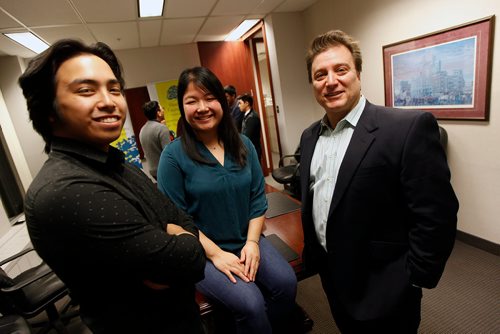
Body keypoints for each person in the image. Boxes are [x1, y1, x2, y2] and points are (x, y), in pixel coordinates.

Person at [18, 39, 206, 333]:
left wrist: (177, 233)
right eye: (86, 90)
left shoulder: (117, 165)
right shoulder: (67, 190)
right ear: (48, 110)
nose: (109, 101)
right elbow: (189, 261)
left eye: (114, 88)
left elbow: (182, 220)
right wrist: (173, 234)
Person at [299, 30, 459, 333]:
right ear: (312, 84)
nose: (330, 81)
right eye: (320, 74)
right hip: (334, 280)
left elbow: (436, 214)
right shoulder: (309, 137)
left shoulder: (406, 128)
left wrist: (415, 278)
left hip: (387, 289)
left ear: (358, 73)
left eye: (341, 69)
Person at [157, 67, 297, 333]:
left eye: (209, 97)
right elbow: (175, 221)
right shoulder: (173, 157)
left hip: (247, 239)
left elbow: (257, 200)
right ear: (182, 107)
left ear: (222, 100)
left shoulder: (244, 145)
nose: (202, 107)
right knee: (251, 303)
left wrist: (253, 243)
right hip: (203, 252)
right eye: (191, 101)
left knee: (286, 284)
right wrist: (217, 255)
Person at [139, 100, 171, 179]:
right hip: (166, 171)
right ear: (158, 113)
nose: (163, 110)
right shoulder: (161, 128)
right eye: (162, 108)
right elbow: (169, 154)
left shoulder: (142, 129)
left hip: (154, 172)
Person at [239, 93, 262, 162]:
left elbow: (247, 136)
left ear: (246, 103)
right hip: (249, 149)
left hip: (253, 150)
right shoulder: (246, 115)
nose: (238, 106)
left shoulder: (252, 117)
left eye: (240, 103)